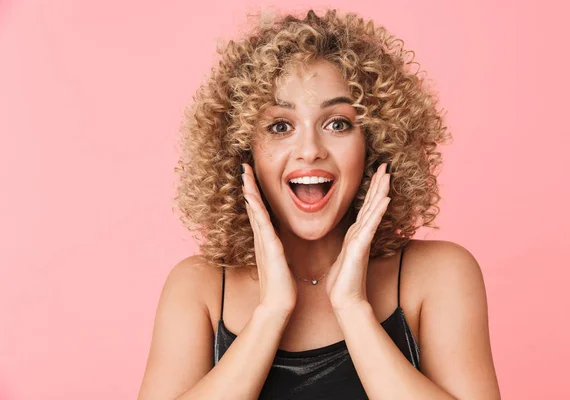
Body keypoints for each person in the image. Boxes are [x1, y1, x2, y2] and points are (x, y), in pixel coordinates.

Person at [138, 8, 501, 400]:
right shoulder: (201, 288)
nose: (310, 151)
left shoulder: (439, 275)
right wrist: (271, 312)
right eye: (280, 126)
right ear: (242, 150)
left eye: (338, 123)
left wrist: (352, 307)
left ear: (375, 143)